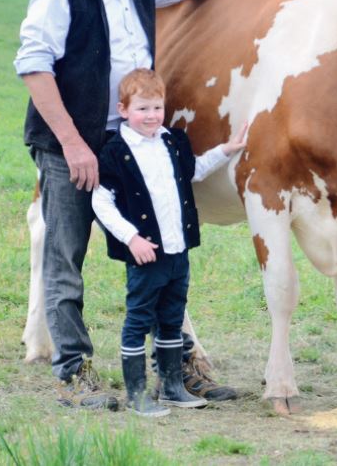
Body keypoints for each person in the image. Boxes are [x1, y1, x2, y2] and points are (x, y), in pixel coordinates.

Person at [14, 0, 322, 410]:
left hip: (133, 141)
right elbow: (33, 66)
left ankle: (175, 368)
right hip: (72, 139)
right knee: (66, 254)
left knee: (159, 253)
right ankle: (73, 372)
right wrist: (72, 144)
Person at [91, 69, 246, 417]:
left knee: (172, 319)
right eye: (143, 109)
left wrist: (227, 149)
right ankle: (136, 393)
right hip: (146, 256)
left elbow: (194, 171)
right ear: (124, 109)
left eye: (157, 108)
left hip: (178, 253)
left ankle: (173, 387)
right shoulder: (116, 152)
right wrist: (132, 239)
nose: (151, 116)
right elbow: (101, 202)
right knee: (138, 319)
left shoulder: (173, 142)